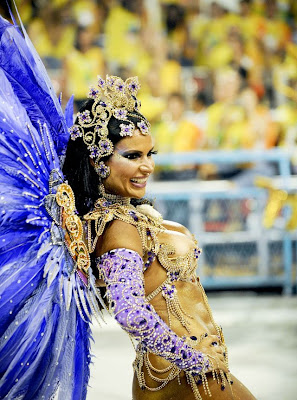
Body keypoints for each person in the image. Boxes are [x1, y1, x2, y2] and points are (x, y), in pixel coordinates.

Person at [0, 13, 256, 400]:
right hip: (185, 379)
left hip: (189, 376)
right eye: (133, 155)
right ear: (98, 161)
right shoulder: (117, 228)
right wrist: (193, 361)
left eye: (150, 154)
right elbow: (129, 310)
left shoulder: (130, 216)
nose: (147, 166)